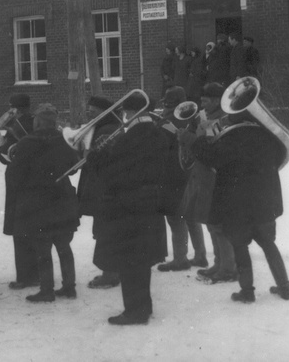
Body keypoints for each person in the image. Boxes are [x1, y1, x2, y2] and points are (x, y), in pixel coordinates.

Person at [192, 111, 289, 303]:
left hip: (236, 205)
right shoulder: (269, 137)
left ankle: (247, 292)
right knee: (269, 245)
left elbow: (209, 158)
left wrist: (200, 138)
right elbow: (281, 157)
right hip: (264, 202)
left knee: (240, 247)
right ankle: (284, 287)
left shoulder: (230, 138)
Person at [90, 93, 172, 325]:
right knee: (141, 261)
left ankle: (135, 311)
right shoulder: (158, 133)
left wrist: (97, 157)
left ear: (129, 112)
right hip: (149, 204)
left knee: (130, 262)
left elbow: (113, 175)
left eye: (125, 112)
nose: (124, 117)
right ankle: (143, 307)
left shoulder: (132, 137)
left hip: (129, 206)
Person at [6, 103, 80, 303]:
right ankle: (69, 287)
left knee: (42, 248)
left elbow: (15, 176)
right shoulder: (64, 141)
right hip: (62, 198)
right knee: (64, 246)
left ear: (37, 121)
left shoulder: (27, 142)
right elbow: (73, 168)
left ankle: (46, 290)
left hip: (37, 202)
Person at [184, 82, 238, 284]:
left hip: (215, 176)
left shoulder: (224, 119)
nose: (202, 104)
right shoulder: (206, 117)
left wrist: (192, 139)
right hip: (204, 175)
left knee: (219, 225)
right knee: (210, 222)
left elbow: (213, 148)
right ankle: (219, 263)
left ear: (216, 100)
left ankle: (228, 268)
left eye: (205, 100)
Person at [156, 87, 208, 272]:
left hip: (173, 174)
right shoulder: (194, 119)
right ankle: (201, 255)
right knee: (191, 215)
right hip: (192, 171)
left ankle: (180, 258)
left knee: (175, 217)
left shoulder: (165, 123)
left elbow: (160, 149)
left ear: (167, 103)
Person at [76, 95, 121, 289]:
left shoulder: (108, 130)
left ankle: (110, 274)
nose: (90, 115)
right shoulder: (101, 128)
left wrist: (89, 155)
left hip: (104, 188)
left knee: (105, 231)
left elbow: (105, 160)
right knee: (103, 230)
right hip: (100, 186)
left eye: (93, 112)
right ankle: (111, 271)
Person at [0, 93, 40, 290]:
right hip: (29, 180)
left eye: (11, 107)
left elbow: (6, 154)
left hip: (20, 180)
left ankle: (26, 275)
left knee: (21, 230)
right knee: (30, 229)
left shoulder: (21, 124)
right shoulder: (32, 122)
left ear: (16, 108)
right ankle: (35, 273)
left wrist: (5, 150)